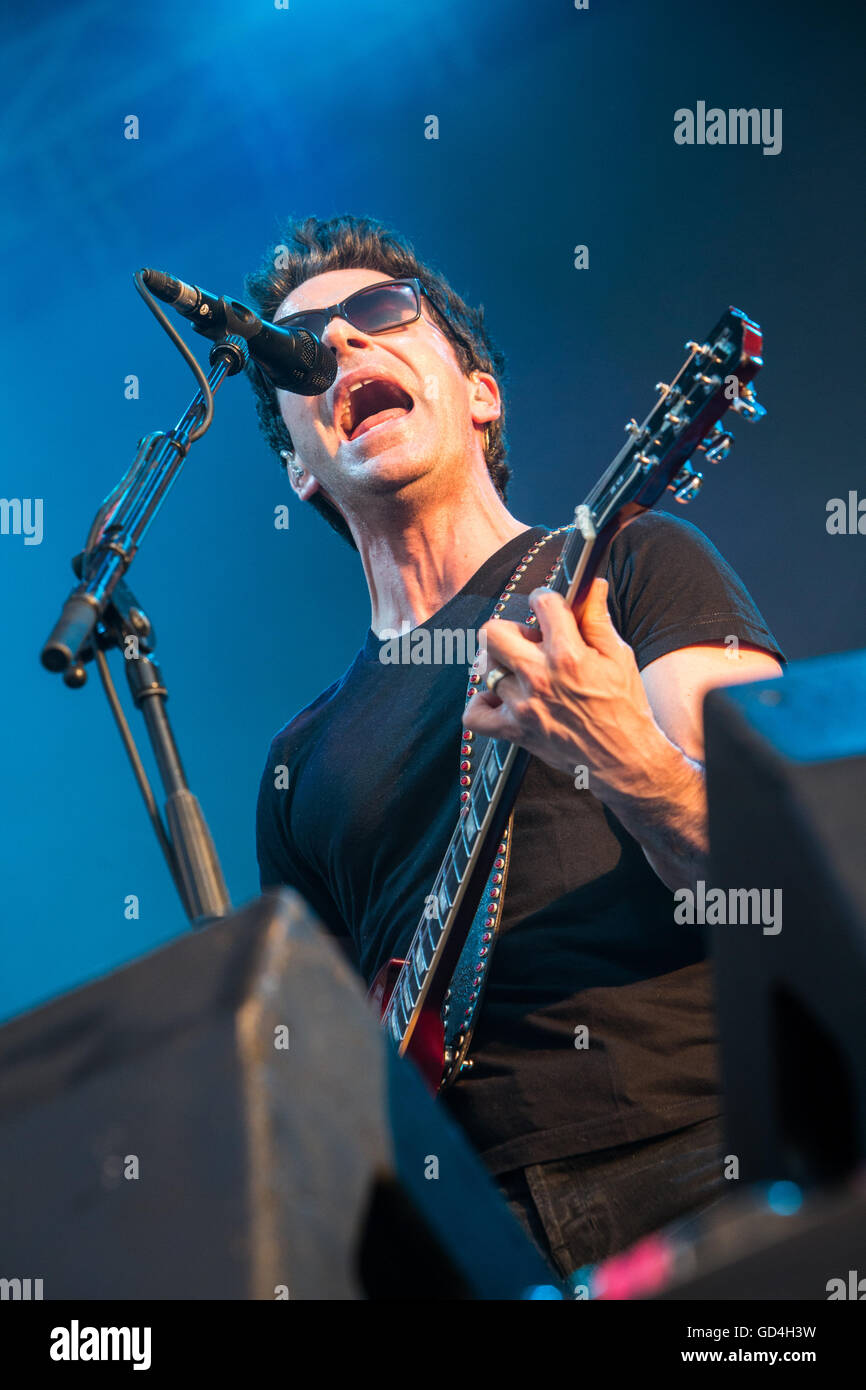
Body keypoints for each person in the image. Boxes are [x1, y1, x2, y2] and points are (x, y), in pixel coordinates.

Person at [249, 215, 784, 1284]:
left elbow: (784, 886)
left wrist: (620, 749)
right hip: (466, 1240)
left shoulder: (630, 568)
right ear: (300, 469)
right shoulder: (297, 764)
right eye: (303, 346)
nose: (342, 346)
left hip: (691, 1148)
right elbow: (328, 1080)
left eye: (379, 313)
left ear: (479, 392)